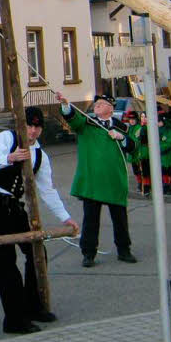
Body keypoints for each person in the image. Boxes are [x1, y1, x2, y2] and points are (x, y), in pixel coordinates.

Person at [0, 107, 79, 334]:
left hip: (14, 206)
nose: (32, 131)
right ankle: (13, 320)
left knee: (37, 253)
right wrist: (10, 157)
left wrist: (66, 218)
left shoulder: (40, 155)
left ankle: (33, 307)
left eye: (37, 127)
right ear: (21, 125)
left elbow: (47, 190)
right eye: (29, 126)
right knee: (6, 262)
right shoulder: (6, 138)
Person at [56, 92, 138, 268]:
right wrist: (65, 105)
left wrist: (122, 138)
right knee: (91, 220)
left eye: (101, 103)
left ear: (111, 108)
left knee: (120, 219)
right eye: (96, 104)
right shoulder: (87, 123)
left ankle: (124, 250)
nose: (97, 106)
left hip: (115, 180)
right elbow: (73, 119)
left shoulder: (121, 127)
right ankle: (88, 253)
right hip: (92, 181)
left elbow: (134, 148)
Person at [157, 107, 171, 196]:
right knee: (163, 171)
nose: (158, 123)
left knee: (169, 170)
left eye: (159, 121)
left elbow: (170, 142)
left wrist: (160, 148)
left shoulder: (168, 130)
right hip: (161, 155)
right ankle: (165, 185)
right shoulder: (156, 130)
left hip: (167, 154)